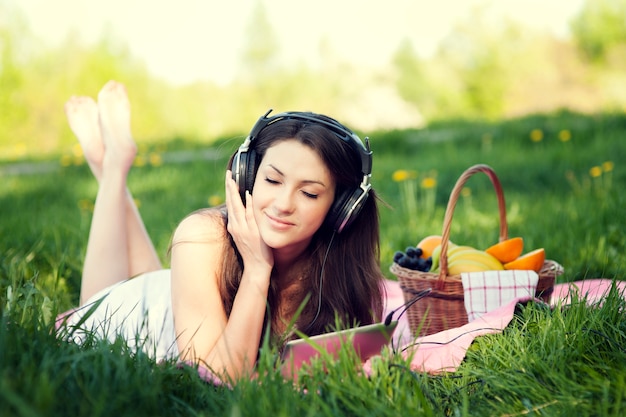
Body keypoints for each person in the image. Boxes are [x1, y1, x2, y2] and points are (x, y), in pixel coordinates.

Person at [60, 80, 385, 381]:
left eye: (309, 193)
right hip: (132, 316)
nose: (284, 204)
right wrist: (258, 268)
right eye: (272, 180)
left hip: (174, 304)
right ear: (247, 176)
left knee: (160, 287)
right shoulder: (203, 235)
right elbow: (221, 375)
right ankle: (113, 165)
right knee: (93, 309)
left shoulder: (343, 267)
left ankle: (111, 163)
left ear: (343, 207)